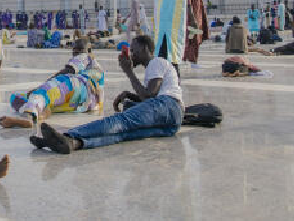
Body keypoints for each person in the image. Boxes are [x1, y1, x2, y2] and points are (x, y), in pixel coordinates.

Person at [31, 34, 182, 154]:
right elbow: (150, 98)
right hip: (172, 121)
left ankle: (68, 135)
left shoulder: (157, 62)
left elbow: (150, 97)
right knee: (122, 134)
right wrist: (129, 95)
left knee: (119, 121)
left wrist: (129, 72)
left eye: (134, 51)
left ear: (145, 49)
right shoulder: (153, 68)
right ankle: (73, 143)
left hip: (169, 106)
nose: (131, 55)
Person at [0, 39, 104, 129]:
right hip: (84, 104)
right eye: (74, 51)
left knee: (42, 92)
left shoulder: (87, 57)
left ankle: (28, 117)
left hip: (78, 86)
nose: (76, 54)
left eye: (79, 50)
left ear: (89, 51)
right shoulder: (97, 69)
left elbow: (70, 69)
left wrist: (45, 84)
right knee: (18, 98)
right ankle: (42, 114)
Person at [184, 0, 208, 65]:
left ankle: (193, 60)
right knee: (192, 39)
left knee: (197, 39)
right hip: (192, 17)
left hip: (199, 16)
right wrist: (192, 18)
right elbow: (188, 3)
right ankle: (192, 61)